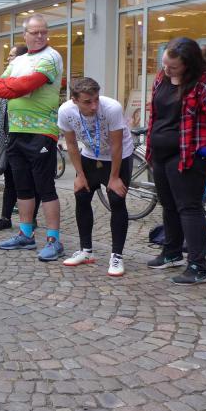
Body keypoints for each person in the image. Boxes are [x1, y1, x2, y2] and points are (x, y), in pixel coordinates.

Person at [147, 37, 206, 285]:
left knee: (189, 207)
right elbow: (157, 113)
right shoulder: (162, 77)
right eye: (165, 64)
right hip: (161, 153)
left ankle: (198, 266)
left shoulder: (205, 82)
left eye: (173, 67)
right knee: (168, 205)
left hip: (188, 154)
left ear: (189, 64)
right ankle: (171, 252)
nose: (167, 70)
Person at [0, 14, 64, 262]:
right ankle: (26, 234)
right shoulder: (20, 60)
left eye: (44, 31)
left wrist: (15, 85)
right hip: (16, 131)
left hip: (41, 132)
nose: (40, 36)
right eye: (35, 32)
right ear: (25, 35)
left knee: (45, 187)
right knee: (22, 186)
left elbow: (29, 85)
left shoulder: (51, 57)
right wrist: (18, 85)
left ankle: (54, 240)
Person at [58, 78, 134, 277]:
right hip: (90, 155)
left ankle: (116, 256)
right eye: (87, 102)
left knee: (117, 201)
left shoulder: (112, 108)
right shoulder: (65, 111)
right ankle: (86, 251)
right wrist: (80, 175)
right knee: (81, 196)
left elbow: (117, 145)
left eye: (96, 99)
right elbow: (71, 144)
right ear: (74, 100)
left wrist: (114, 177)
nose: (94, 106)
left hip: (118, 156)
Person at [0, 45, 41, 231]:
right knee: (10, 182)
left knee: (30, 181)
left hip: (28, 143)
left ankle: (31, 219)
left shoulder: (29, 85)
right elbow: (1, 119)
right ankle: (5, 218)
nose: (8, 59)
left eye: (11, 56)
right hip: (9, 143)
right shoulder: (8, 85)